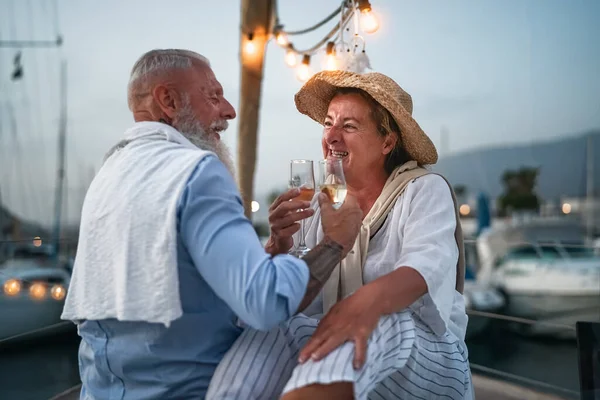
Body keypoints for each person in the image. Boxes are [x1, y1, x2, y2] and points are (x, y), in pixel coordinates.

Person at [60, 49, 363, 400]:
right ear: (168, 100)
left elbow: (192, 280)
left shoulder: (110, 174)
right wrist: (336, 241)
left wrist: (276, 247)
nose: (229, 111)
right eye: (213, 96)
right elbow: (265, 301)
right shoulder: (195, 172)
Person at [206, 70, 474, 399]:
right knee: (275, 330)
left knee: (383, 319)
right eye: (328, 123)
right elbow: (290, 301)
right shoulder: (319, 207)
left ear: (387, 142)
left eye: (348, 126)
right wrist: (277, 247)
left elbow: (424, 268)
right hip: (354, 347)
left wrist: (360, 306)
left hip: (429, 359)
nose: (331, 137)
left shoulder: (423, 189)